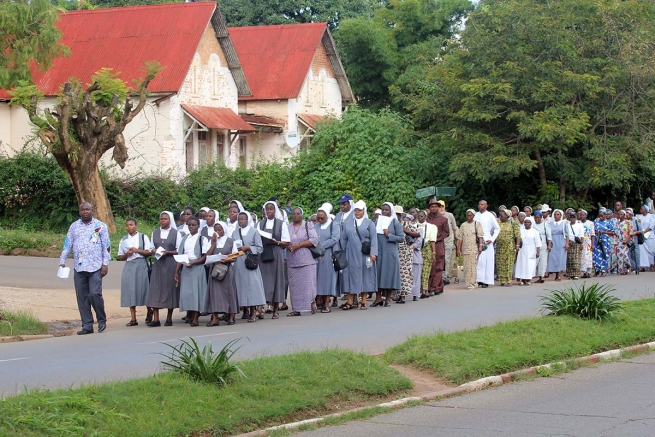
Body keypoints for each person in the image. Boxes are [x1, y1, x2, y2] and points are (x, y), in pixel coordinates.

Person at [59, 202, 110, 335]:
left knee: (94, 294)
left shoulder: (100, 226)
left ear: (92, 210)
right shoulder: (74, 226)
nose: (85, 212)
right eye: (83, 210)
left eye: (88, 209)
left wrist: (105, 264)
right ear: (79, 211)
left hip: (95, 267)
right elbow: (67, 244)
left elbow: (106, 246)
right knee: (82, 297)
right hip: (79, 268)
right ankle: (87, 325)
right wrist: (62, 261)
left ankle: (101, 319)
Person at [146, 211, 181, 327]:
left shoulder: (176, 233)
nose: (163, 220)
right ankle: (156, 319)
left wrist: (168, 252)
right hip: (158, 264)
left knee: (169, 289)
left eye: (165, 219)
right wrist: (154, 251)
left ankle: (169, 318)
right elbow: (151, 248)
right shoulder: (155, 233)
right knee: (155, 289)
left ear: (170, 220)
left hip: (170, 263)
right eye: (161, 219)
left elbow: (179, 250)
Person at [342, 200, 378, 310]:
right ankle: (350, 301)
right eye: (356, 210)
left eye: (359, 210)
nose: (357, 212)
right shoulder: (348, 223)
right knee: (350, 275)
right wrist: (343, 253)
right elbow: (343, 239)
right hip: (350, 254)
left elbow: (374, 239)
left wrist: (373, 253)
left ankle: (363, 301)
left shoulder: (369, 223)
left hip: (365, 254)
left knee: (365, 275)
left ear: (364, 211)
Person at [174, 217, 210, 326]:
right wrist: (176, 271)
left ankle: (196, 316)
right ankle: (189, 313)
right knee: (187, 292)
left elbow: (204, 257)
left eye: (193, 225)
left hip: (197, 267)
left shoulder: (202, 239)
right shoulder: (184, 239)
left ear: (198, 226)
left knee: (197, 292)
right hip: (186, 267)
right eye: (189, 225)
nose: (191, 227)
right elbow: (181, 256)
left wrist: (193, 263)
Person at [117, 218, 153, 327]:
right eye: (127, 225)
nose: (129, 227)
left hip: (141, 263)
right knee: (130, 289)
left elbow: (149, 252)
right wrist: (126, 254)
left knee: (144, 288)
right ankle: (133, 318)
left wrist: (137, 250)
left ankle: (149, 310)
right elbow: (120, 257)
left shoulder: (143, 237)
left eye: (131, 225)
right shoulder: (123, 240)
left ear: (136, 226)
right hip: (129, 264)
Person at [232, 211, 267, 322]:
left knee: (251, 287)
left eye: (243, 219)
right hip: (238, 263)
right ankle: (245, 310)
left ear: (248, 220)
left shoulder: (254, 232)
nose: (241, 221)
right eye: (239, 219)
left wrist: (248, 248)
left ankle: (253, 312)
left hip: (249, 263)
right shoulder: (234, 232)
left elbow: (260, 248)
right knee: (240, 286)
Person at [258, 201, 290, 319]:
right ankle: (260, 308)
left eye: (271, 209)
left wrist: (275, 242)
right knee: (262, 280)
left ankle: (275, 309)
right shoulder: (260, 224)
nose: (269, 211)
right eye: (267, 209)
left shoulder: (281, 224)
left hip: (276, 253)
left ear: (275, 210)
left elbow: (286, 242)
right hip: (264, 253)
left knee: (277, 280)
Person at [286, 207, 319, 316]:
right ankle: (296, 309)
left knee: (308, 284)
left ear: (302, 215)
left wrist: (299, 245)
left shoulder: (308, 225)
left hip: (307, 260)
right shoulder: (288, 227)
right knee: (294, 286)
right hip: (292, 261)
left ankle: (312, 302)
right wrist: (288, 246)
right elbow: (284, 240)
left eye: (298, 213)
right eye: (293, 214)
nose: (295, 215)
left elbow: (314, 240)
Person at [205, 221, 239, 326]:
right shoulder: (211, 241)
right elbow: (207, 254)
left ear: (224, 230)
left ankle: (231, 316)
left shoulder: (230, 241)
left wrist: (227, 259)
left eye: (220, 230)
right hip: (215, 271)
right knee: (214, 294)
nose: (217, 232)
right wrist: (214, 242)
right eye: (216, 230)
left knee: (229, 292)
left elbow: (235, 257)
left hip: (226, 270)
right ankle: (215, 318)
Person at [373, 202, 403, 306]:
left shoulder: (395, 222)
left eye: (387, 210)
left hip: (390, 254)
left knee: (389, 275)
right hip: (379, 252)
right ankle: (378, 298)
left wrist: (389, 235)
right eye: (383, 210)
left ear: (391, 211)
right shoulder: (377, 222)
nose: (384, 212)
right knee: (378, 275)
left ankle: (388, 299)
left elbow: (401, 237)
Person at [315, 203, 340, 312]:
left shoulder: (334, 225)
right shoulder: (316, 226)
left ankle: (327, 302)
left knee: (329, 278)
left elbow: (335, 239)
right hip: (317, 255)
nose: (320, 220)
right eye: (318, 218)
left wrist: (321, 246)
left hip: (329, 254)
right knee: (318, 278)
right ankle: (319, 300)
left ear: (327, 216)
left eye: (322, 218)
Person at [334, 194, 355, 304]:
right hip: (340, 249)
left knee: (352, 272)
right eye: (341, 204)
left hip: (351, 248)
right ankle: (348, 296)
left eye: (344, 204)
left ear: (350, 204)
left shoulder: (355, 215)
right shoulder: (338, 215)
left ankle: (354, 298)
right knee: (344, 273)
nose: (342, 206)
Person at [474, 200, 500, 288]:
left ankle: (486, 280)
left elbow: (497, 228)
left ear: (486, 206)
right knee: (479, 260)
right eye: (479, 204)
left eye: (482, 204)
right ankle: (478, 279)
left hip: (487, 238)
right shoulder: (476, 215)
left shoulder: (490, 215)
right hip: (477, 238)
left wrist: (492, 239)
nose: (480, 206)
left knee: (487, 260)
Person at [426, 199, 449, 295]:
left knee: (438, 266)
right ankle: (428, 287)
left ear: (438, 207)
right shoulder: (426, 219)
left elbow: (447, 232)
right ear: (429, 208)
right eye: (432, 206)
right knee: (430, 265)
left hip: (438, 244)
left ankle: (436, 287)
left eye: (436, 206)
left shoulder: (443, 219)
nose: (434, 208)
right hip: (428, 245)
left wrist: (437, 237)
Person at [456, 209, 484, 289]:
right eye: (467, 215)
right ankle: (468, 282)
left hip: (473, 248)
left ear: (473, 216)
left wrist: (480, 246)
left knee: (472, 266)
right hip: (465, 249)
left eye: (470, 215)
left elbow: (480, 236)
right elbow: (460, 238)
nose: (469, 217)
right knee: (466, 267)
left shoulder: (477, 224)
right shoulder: (463, 225)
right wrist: (458, 249)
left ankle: (473, 283)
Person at [397, 207, 419, 303]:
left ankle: (403, 296)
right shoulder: (394, 224)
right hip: (397, 252)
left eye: (399, 214)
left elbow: (418, 234)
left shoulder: (407, 224)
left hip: (405, 253)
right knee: (398, 274)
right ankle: (398, 295)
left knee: (405, 273)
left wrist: (406, 231)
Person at [495, 209, 520, 287]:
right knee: (500, 263)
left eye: (502, 215)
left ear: (507, 216)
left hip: (509, 247)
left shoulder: (513, 223)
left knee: (508, 263)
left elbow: (518, 235)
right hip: (500, 246)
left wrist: (517, 245)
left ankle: (509, 281)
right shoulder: (498, 223)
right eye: (500, 215)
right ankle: (502, 280)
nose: (501, 217)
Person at [416, 210, 437, 298]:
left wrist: (433, 253)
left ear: (425, 217)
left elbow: (432, 241)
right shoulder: (414, 226)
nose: (420, 218)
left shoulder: (431, 227)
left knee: (426, 270)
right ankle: (418, 290)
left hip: (427, 248)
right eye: (419, 216)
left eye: (422, 216)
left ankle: (425, 290)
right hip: (417, 249)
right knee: (418, 271)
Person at [515, 217, 541, 285]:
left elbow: (538, 242)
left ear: (531, 223)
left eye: (528, 222)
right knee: (522, 264)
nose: (526, 223)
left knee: (529, 264)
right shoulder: (521, 230)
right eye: (525, 222)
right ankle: (522, 279)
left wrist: (538, 252)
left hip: (531, 249)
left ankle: (528, 279)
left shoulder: (535, 231)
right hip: (522, 249)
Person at [439, 201, 459, 285]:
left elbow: (454, 228)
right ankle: (439, 277)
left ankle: (444, 277)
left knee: (446, 260)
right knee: (439, 259)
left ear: (445, 206)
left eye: (442, 206)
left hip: (448, 241)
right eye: (439, 206)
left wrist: (456, 240)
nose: (441, 208)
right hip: (439, 241)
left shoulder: (450, 215)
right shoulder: (435, 217)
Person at [548, 209, 570, 281]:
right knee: (553, 257)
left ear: (561, 215)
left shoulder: (564, 223)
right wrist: (549, 243)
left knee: (560, 258)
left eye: (558, 214)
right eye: (555, 214)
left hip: (561, 241)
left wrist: (567, 243)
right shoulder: (550, 223)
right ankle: (552, 271)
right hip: (553, 241)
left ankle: (558, 275)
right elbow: (549, 234)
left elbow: (567, 235)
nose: (556, 216)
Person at [532, 211, 551, 283]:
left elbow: (549, 236)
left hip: (543, 245)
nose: (536, 219)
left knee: (542, 261)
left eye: (538, 217)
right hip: (534, 245)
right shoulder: (533, 225)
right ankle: (530, 275)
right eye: (535, 217)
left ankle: (541, 277)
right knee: (534, 261)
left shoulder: (545, 225)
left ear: (541, 217)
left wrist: (549, 245)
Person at [409, 214, 424, 301]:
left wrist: (408, 248)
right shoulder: (403, 228)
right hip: (405, 257)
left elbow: (418, 243)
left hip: (415, 256)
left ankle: (415, 294)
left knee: (416, 276)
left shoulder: (419, 229)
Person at [593, 209, 612, 276]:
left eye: (602, 215)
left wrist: (604, 232)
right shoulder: (596, 221)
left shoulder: (608, 222)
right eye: (600, 215)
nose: (600, 216)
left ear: (605, 215)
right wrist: (596, 232)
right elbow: (592, 230)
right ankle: (597, 270)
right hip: (597, 241)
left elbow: (612, 232)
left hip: (605, 241)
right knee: (596, 255)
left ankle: (604, 270)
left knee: (604, 255)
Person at [578, 210, 595, 278]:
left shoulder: (590, 223)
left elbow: (592, 234)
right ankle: (583, 272)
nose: (581, 216)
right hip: (580, 242)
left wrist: (593, 244)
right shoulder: (578, 223)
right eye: (580, 215)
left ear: (586, 215)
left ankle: (588, 271)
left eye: (583, 215)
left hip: (588, 242)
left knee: (588, 256)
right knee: (582, 257)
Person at [637, 205, 654, 272]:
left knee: (650, 251)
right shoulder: (639, 216)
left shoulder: (651, 216)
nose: (640, 209)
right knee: (642, 251)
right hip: (642, 236)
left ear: (645, 209)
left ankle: (652, 265)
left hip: (650, 235)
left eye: (642, 208)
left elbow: (651, 226)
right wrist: (641, 233)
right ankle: (643, 266)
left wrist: (643, 232)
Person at [616, 210, 633, 275]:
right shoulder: (617, 223)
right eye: (619, 214)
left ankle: (628, 264)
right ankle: (621, 271)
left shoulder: (628, 222)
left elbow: (631, 233)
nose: (619, 216)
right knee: (619, 256)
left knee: (624, 255)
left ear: (624, 215)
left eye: (621, 214)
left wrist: (626, 240)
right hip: (618, 241)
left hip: (625, 240)